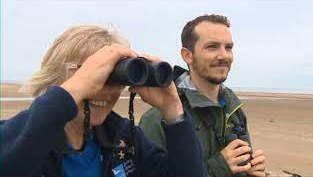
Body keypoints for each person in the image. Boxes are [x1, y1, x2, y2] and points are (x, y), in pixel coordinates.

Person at [0, 25, 206, 177]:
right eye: (97, 77)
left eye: (115, 78)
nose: (105, 91)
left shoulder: (123, 139)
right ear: (62, 75)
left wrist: (173, 109)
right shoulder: (17, 138)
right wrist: (74, 89)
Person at [139, 14, 266, 177]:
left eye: (228, 47)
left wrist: (251, 172)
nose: (224, 55)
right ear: (187, 55)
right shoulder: (160, 118)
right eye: (212, 47)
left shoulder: (233, 108)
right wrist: (218, 168)